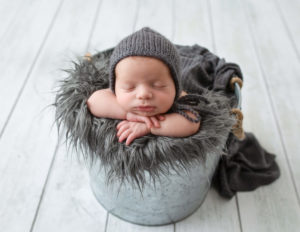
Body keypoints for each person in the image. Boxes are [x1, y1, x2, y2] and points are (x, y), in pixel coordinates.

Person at [87, 27, 201, 145]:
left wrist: (150, 126)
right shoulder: (113, 96)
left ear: (175, 87)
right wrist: (128, 114)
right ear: (115, 87)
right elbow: (93, 102)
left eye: (159, 85)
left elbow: (192, 122)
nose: (143, 94)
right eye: (129, 87)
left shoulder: (178, 96)